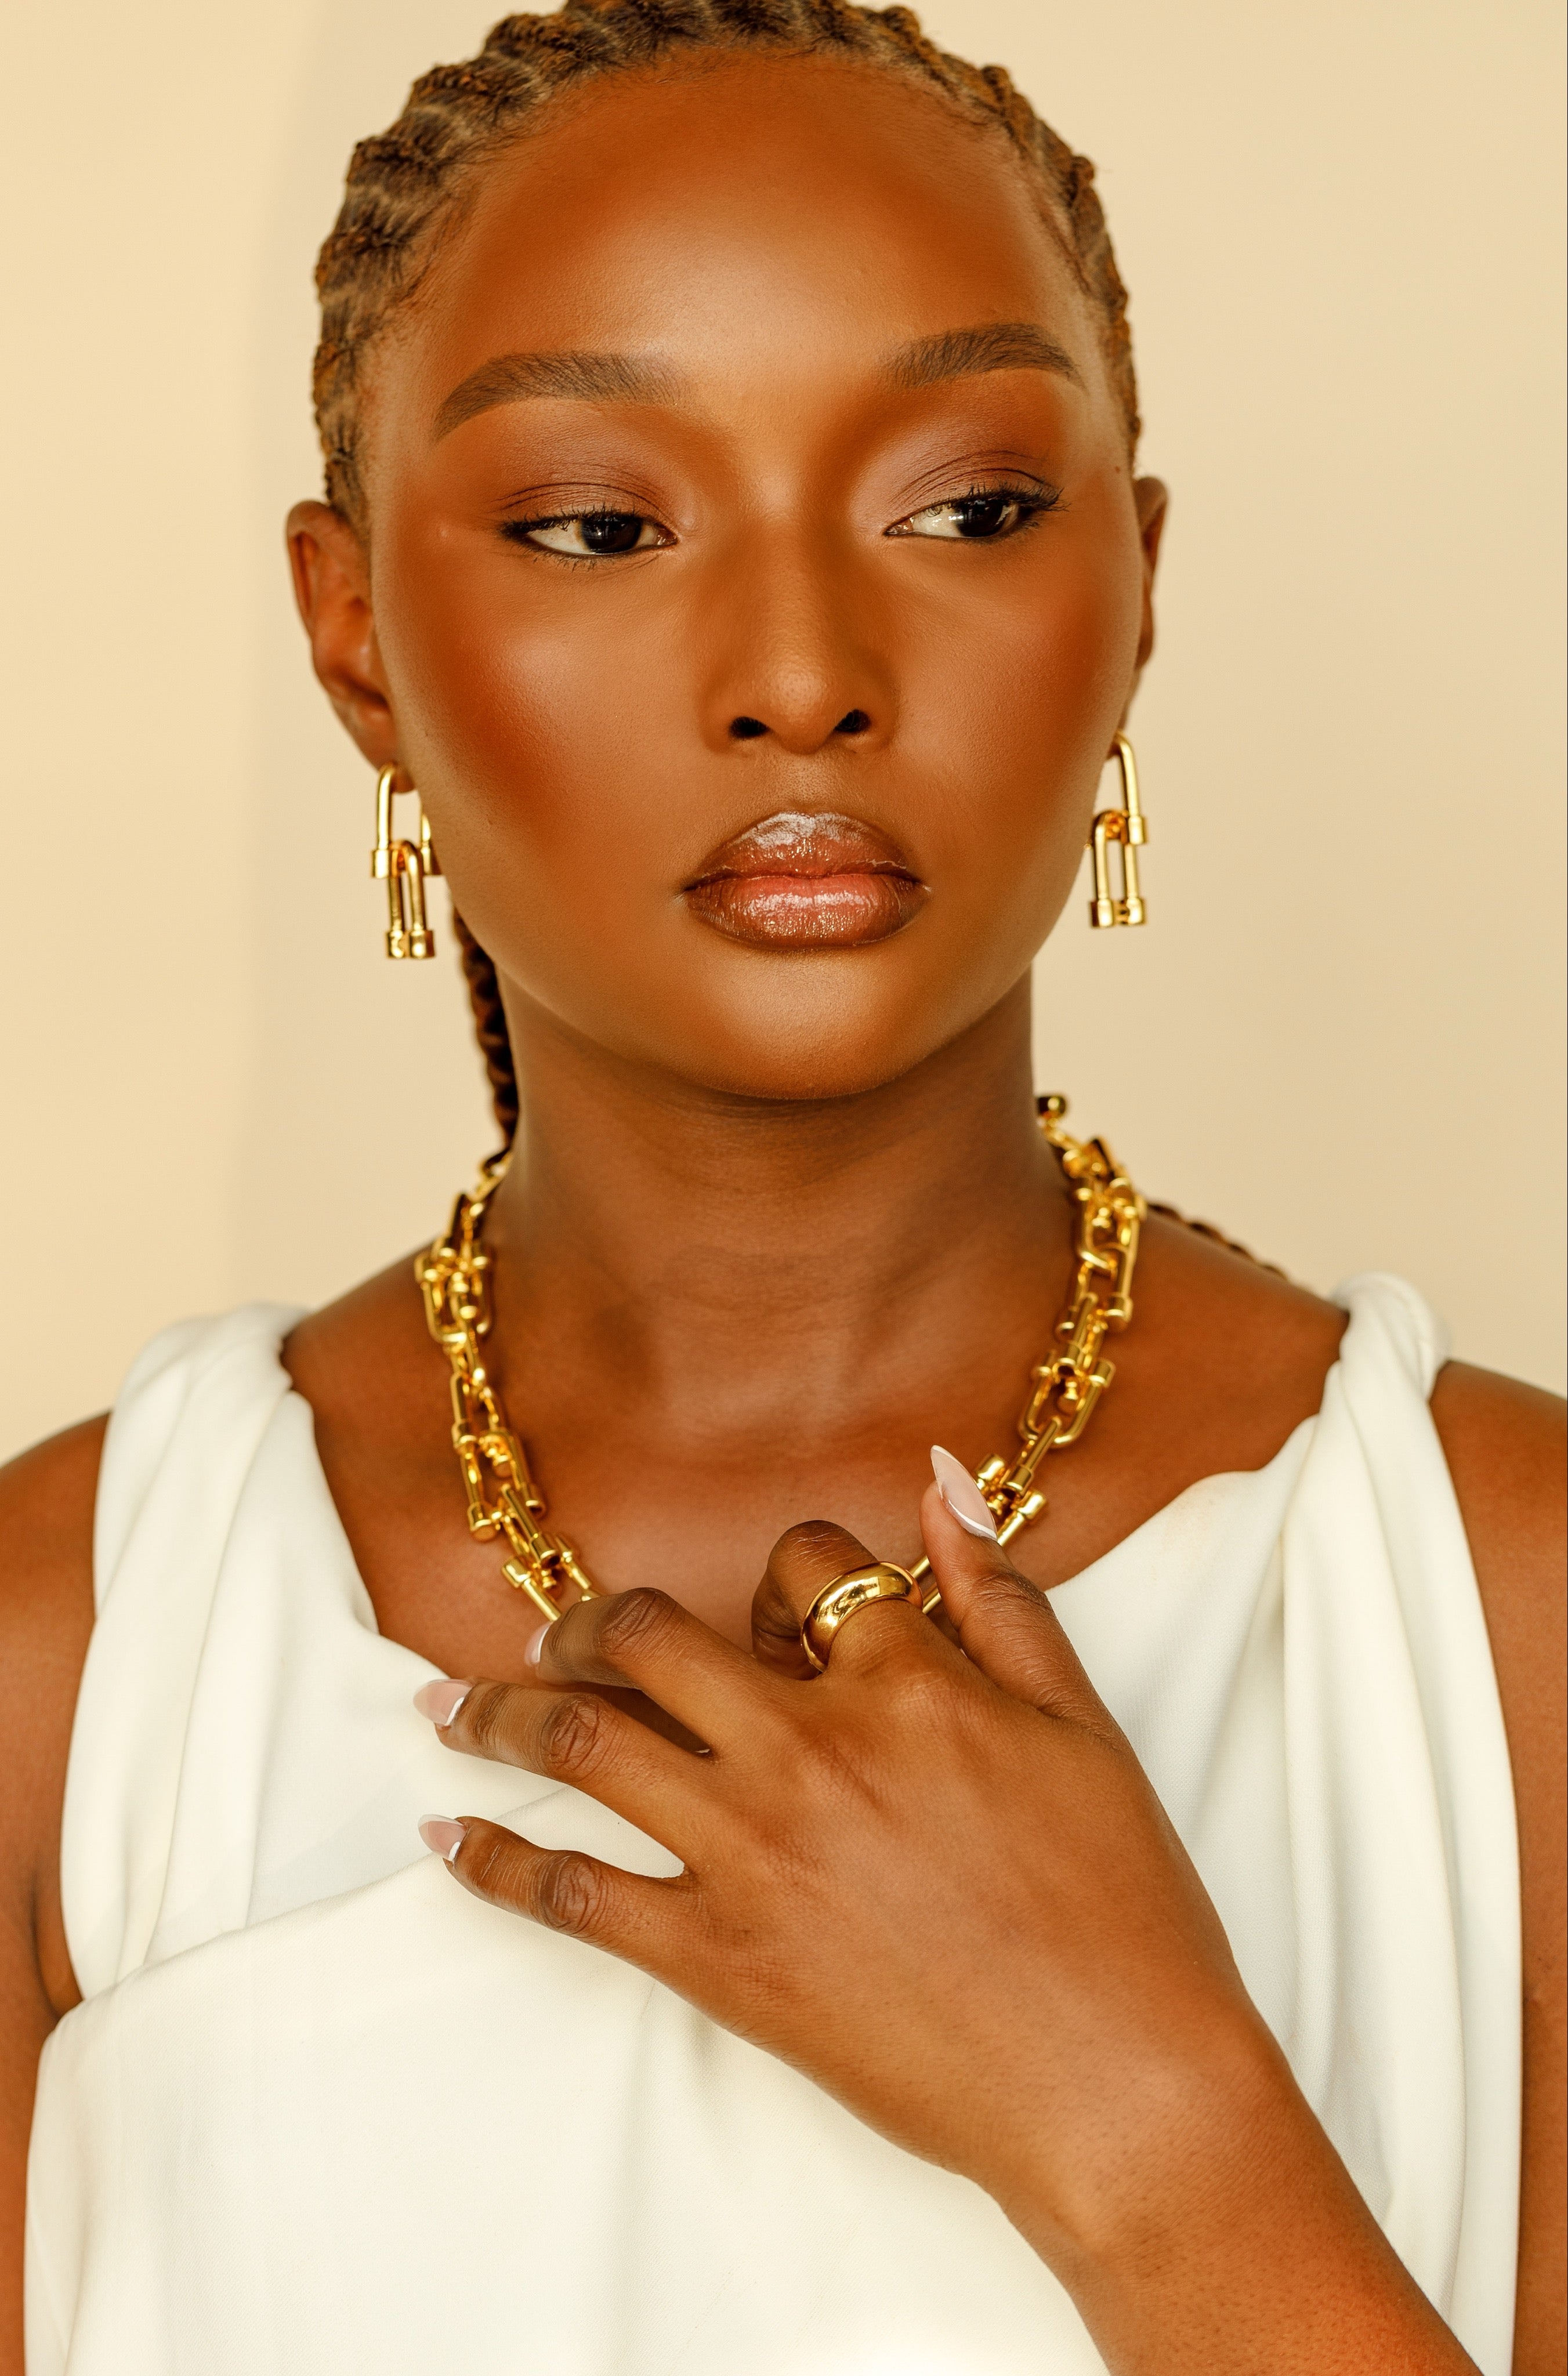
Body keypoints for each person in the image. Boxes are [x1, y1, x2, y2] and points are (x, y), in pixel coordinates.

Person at [3, 5, 1562, 2370]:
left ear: (1135, 588)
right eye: (600, 527)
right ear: (356, 636)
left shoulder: (1509, 1625)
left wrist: (1146, 2128)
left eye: (965, 509)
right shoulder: (76, 1662)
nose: (805, 673)